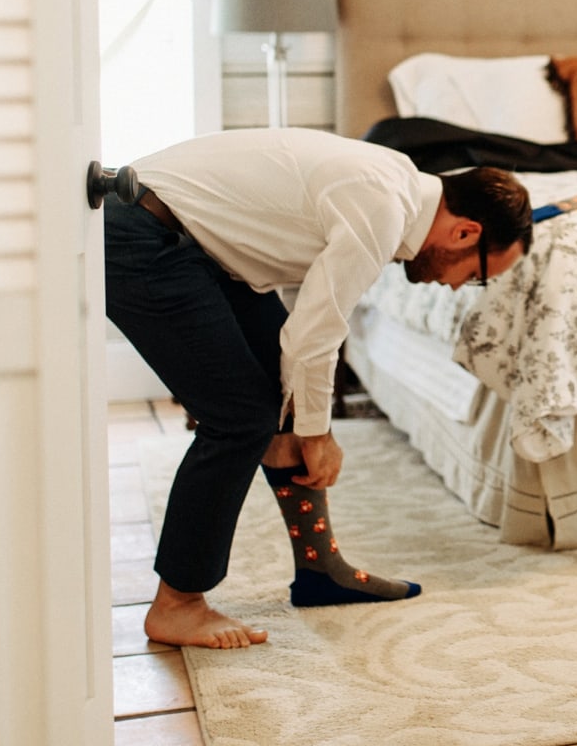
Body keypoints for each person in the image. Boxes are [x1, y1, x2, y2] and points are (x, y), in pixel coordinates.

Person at [105, 127, 531, 649]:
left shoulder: (393, 182)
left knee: (281, 397)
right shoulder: (383, 204)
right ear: (465, 233)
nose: (459, 286)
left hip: (195, 244)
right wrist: (318, 433)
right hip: (144, 235)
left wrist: (304, 420)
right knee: (240, 419)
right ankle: (178, 603)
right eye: (478, 276)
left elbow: (303, 343)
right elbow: (315, 334)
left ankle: (319, 571)